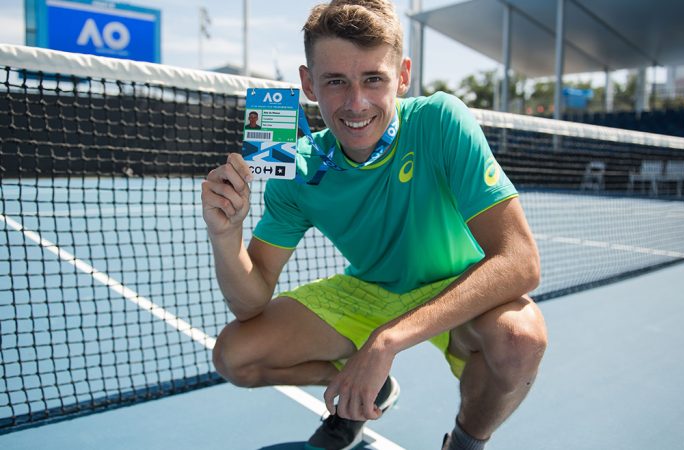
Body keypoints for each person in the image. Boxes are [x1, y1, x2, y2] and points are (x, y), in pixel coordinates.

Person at [201, 1, 548, 449]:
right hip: (372, 288)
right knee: (235, 356)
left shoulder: (441, 122)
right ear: (308, 84)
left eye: (373, 79)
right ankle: (365, 388)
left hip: (458, 286)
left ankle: (465, 441)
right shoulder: (297, 169)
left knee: (520, 338)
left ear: (402, 76)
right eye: (335, 82)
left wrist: (386, 342)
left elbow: (521, 262)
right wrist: (226, 236)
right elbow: (250, 304)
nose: (356, 103)